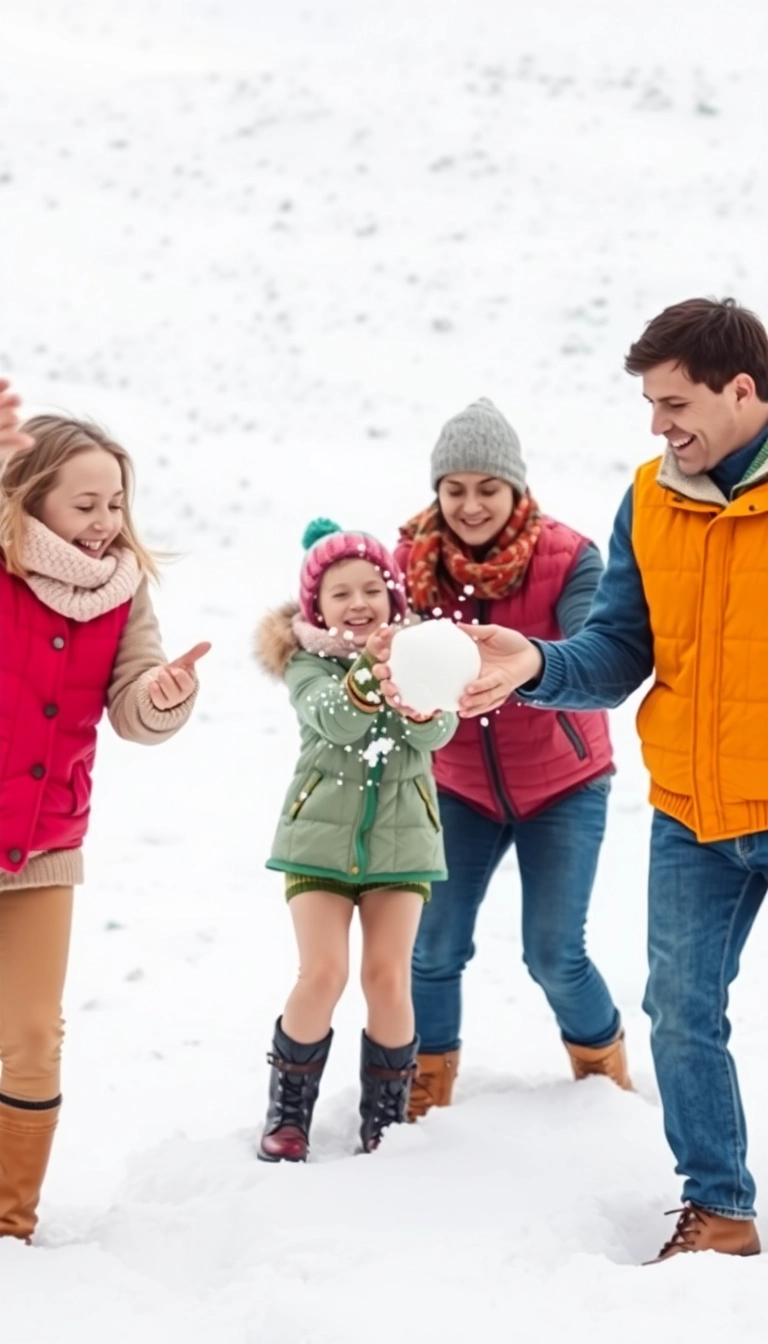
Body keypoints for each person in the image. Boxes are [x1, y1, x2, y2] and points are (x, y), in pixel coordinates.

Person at [397, 298, 768, 1263]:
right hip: (693, 806)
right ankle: (720, 1210)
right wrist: (534, 665)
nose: (658, 424)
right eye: (650, 403)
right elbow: (616, 651)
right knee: (682, 1013)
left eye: (674, 401)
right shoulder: (652, 497)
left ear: (742, 391)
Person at [0, 402, 208, 1241]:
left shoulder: (123, 592)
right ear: (33, 497)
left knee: (31, 1036)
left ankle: (8, 1225)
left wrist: (161, 699)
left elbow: (134, 703)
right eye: (85, 504)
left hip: (45, 845)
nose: (104, 522)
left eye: (114, 503)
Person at [393, 399, 628, 1119]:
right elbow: (370, 636)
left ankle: (601, 1073)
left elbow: (596, 649)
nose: (470, 506)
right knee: (432, 947)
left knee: (554, 953)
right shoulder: (410, 561)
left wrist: (526, 667)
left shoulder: (570, 557)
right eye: (454, 489)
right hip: (459, 784)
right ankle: (428, 1085)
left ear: (516, 490)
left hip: (564, 783)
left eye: (487, 489)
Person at [254, 519, 456, 1161]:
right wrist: (371, 677)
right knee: (324, 971)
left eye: (372, 588)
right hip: (317, 844)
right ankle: (288, 1114)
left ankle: (385, 1120)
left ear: (394, 599)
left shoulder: (423, 657)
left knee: (388, 976)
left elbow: (437, 734)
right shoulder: (306, 665)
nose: (359, 603)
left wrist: (420, 699)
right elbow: (334, 720)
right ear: (317, 605)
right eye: (341, 593)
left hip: (403, 845)